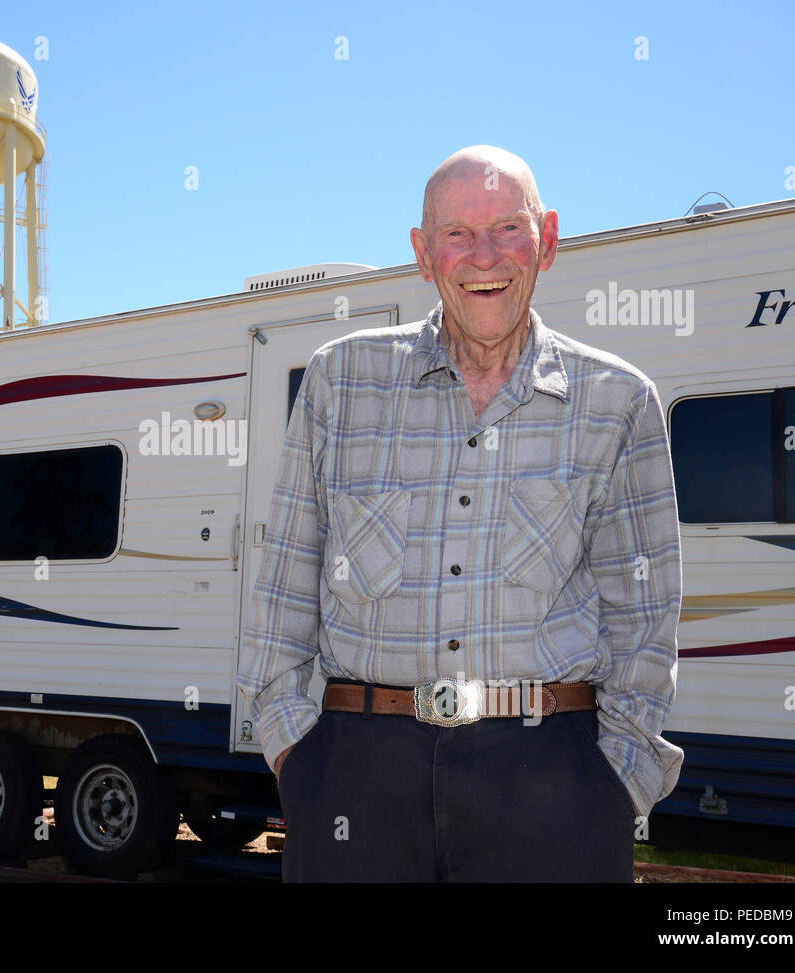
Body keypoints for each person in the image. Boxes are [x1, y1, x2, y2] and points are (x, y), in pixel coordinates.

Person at [237, 145, 684, 882]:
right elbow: (285, 584)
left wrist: (613, 783)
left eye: (509, 227)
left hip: (555, 784)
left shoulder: (619, 403)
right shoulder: (339, 383)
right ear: (422, 251)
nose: (485, 256)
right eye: (457, 233)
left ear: (548, 238)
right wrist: (302, 760)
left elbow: (647, 616)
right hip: (356, 773)